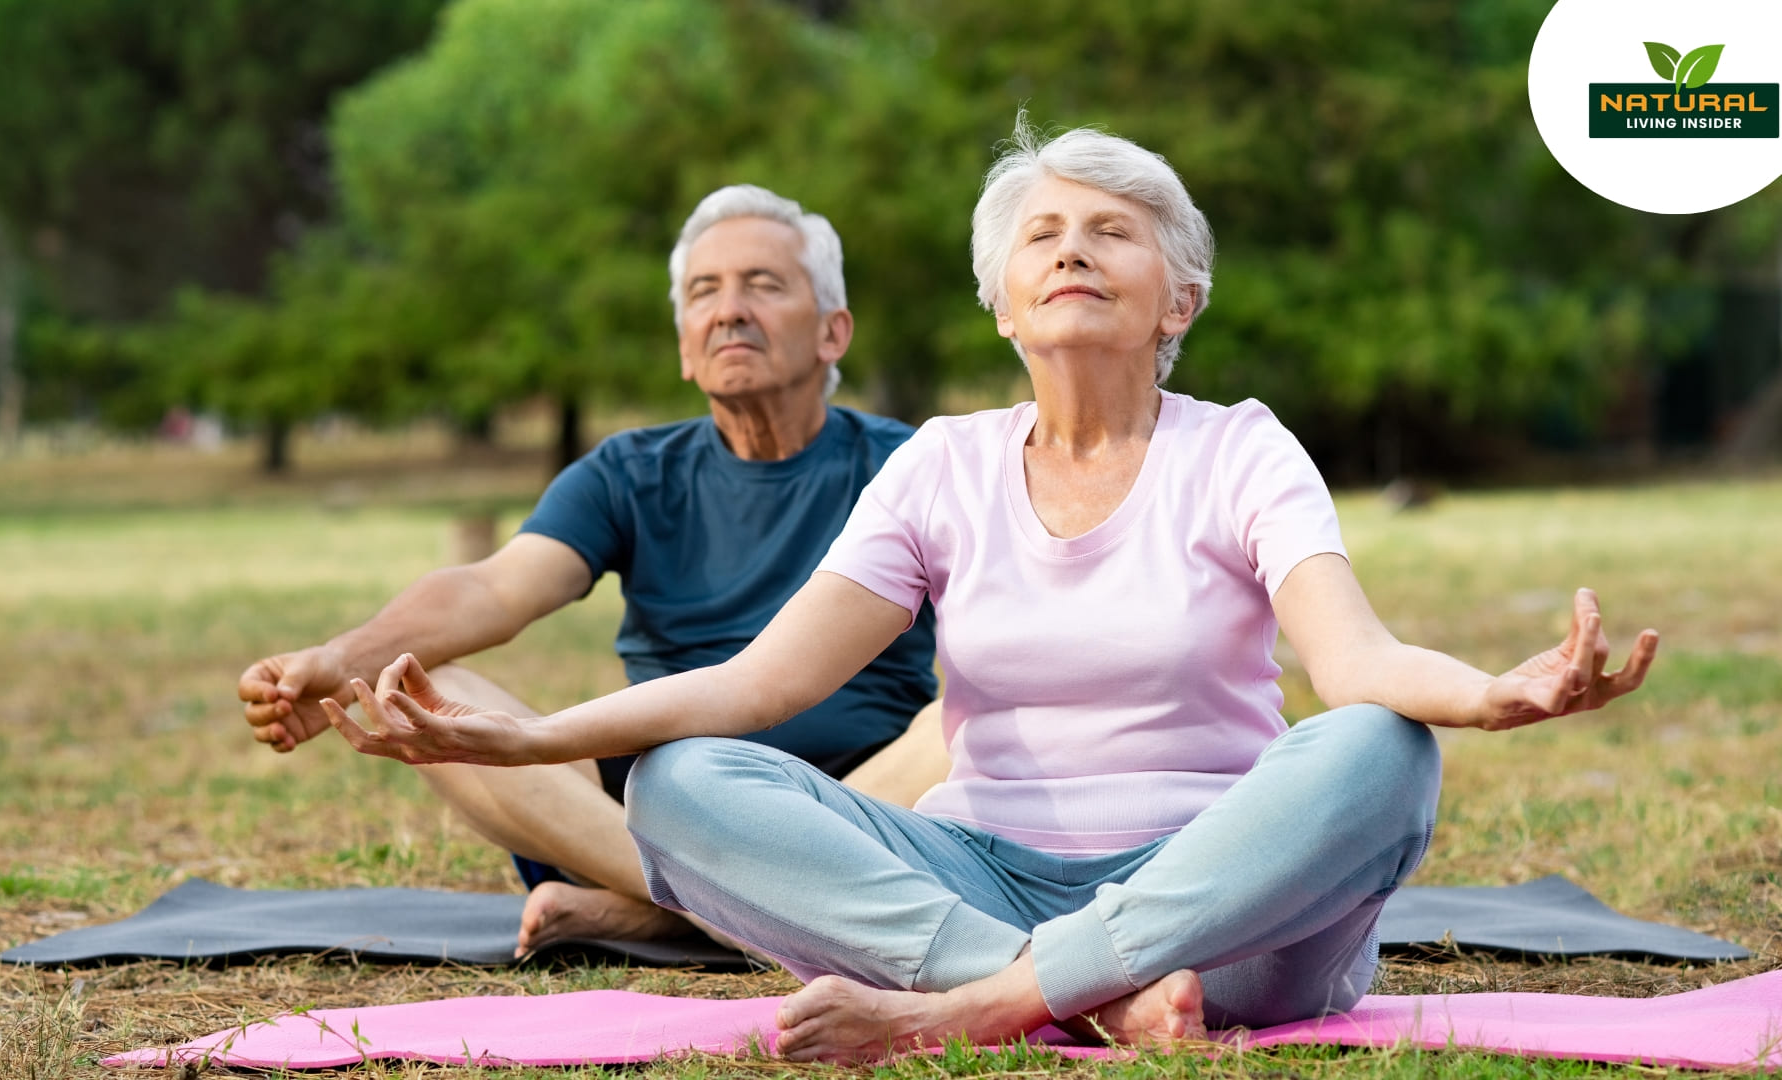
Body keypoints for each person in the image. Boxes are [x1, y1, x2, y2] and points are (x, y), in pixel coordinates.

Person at [323, 121, 1658, 1062]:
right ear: (1003, 300)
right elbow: (758, 687)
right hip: (986, 883)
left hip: (1227, 908)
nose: (1074, 248)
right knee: (685, 781)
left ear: (1178, 291)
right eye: (1044, 233)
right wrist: (533, 736)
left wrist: (1496, 692)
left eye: (1113, 233)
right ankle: (1067, 994)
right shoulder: (945, 467)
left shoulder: (1241, 446)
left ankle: (981, 1010)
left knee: (1380, 752)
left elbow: (1354, 664)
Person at [238, 184, 946, 956]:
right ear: (684, 343)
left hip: (862, 798)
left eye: (764, 285)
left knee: (963, 724)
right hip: (659, 805)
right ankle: (736, 911)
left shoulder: (914, 464)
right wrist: (342, 660)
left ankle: (660, 914)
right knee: (422, 689)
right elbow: (494, 588)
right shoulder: (629, 472)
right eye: (704, 292)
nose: (729, 310)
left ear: (833, 332)